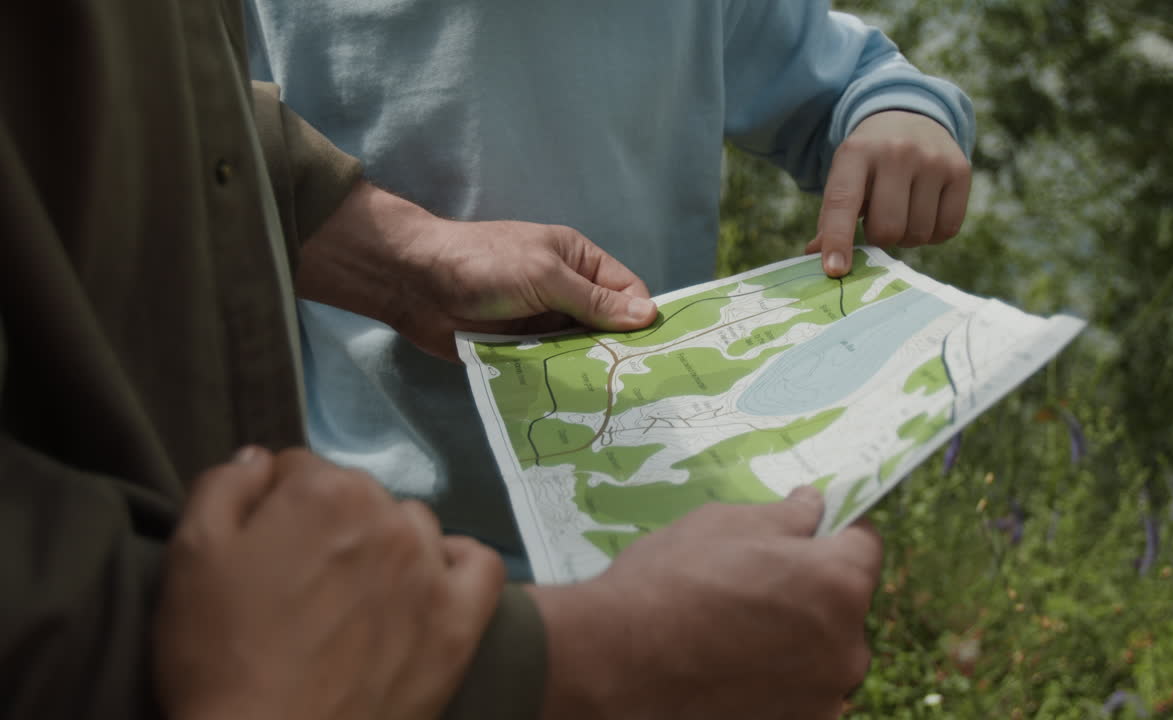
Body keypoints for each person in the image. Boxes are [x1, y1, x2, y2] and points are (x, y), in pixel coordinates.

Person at [1, 2, 882, 719]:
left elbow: (161, 96)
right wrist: (561, 665)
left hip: (625, 531)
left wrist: (400, 253)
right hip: (371, 561)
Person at [244, 0, 977, 569]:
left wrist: (897, 111)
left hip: (652, 512)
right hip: (367, 531)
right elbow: (190, 154)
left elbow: (840, 77)